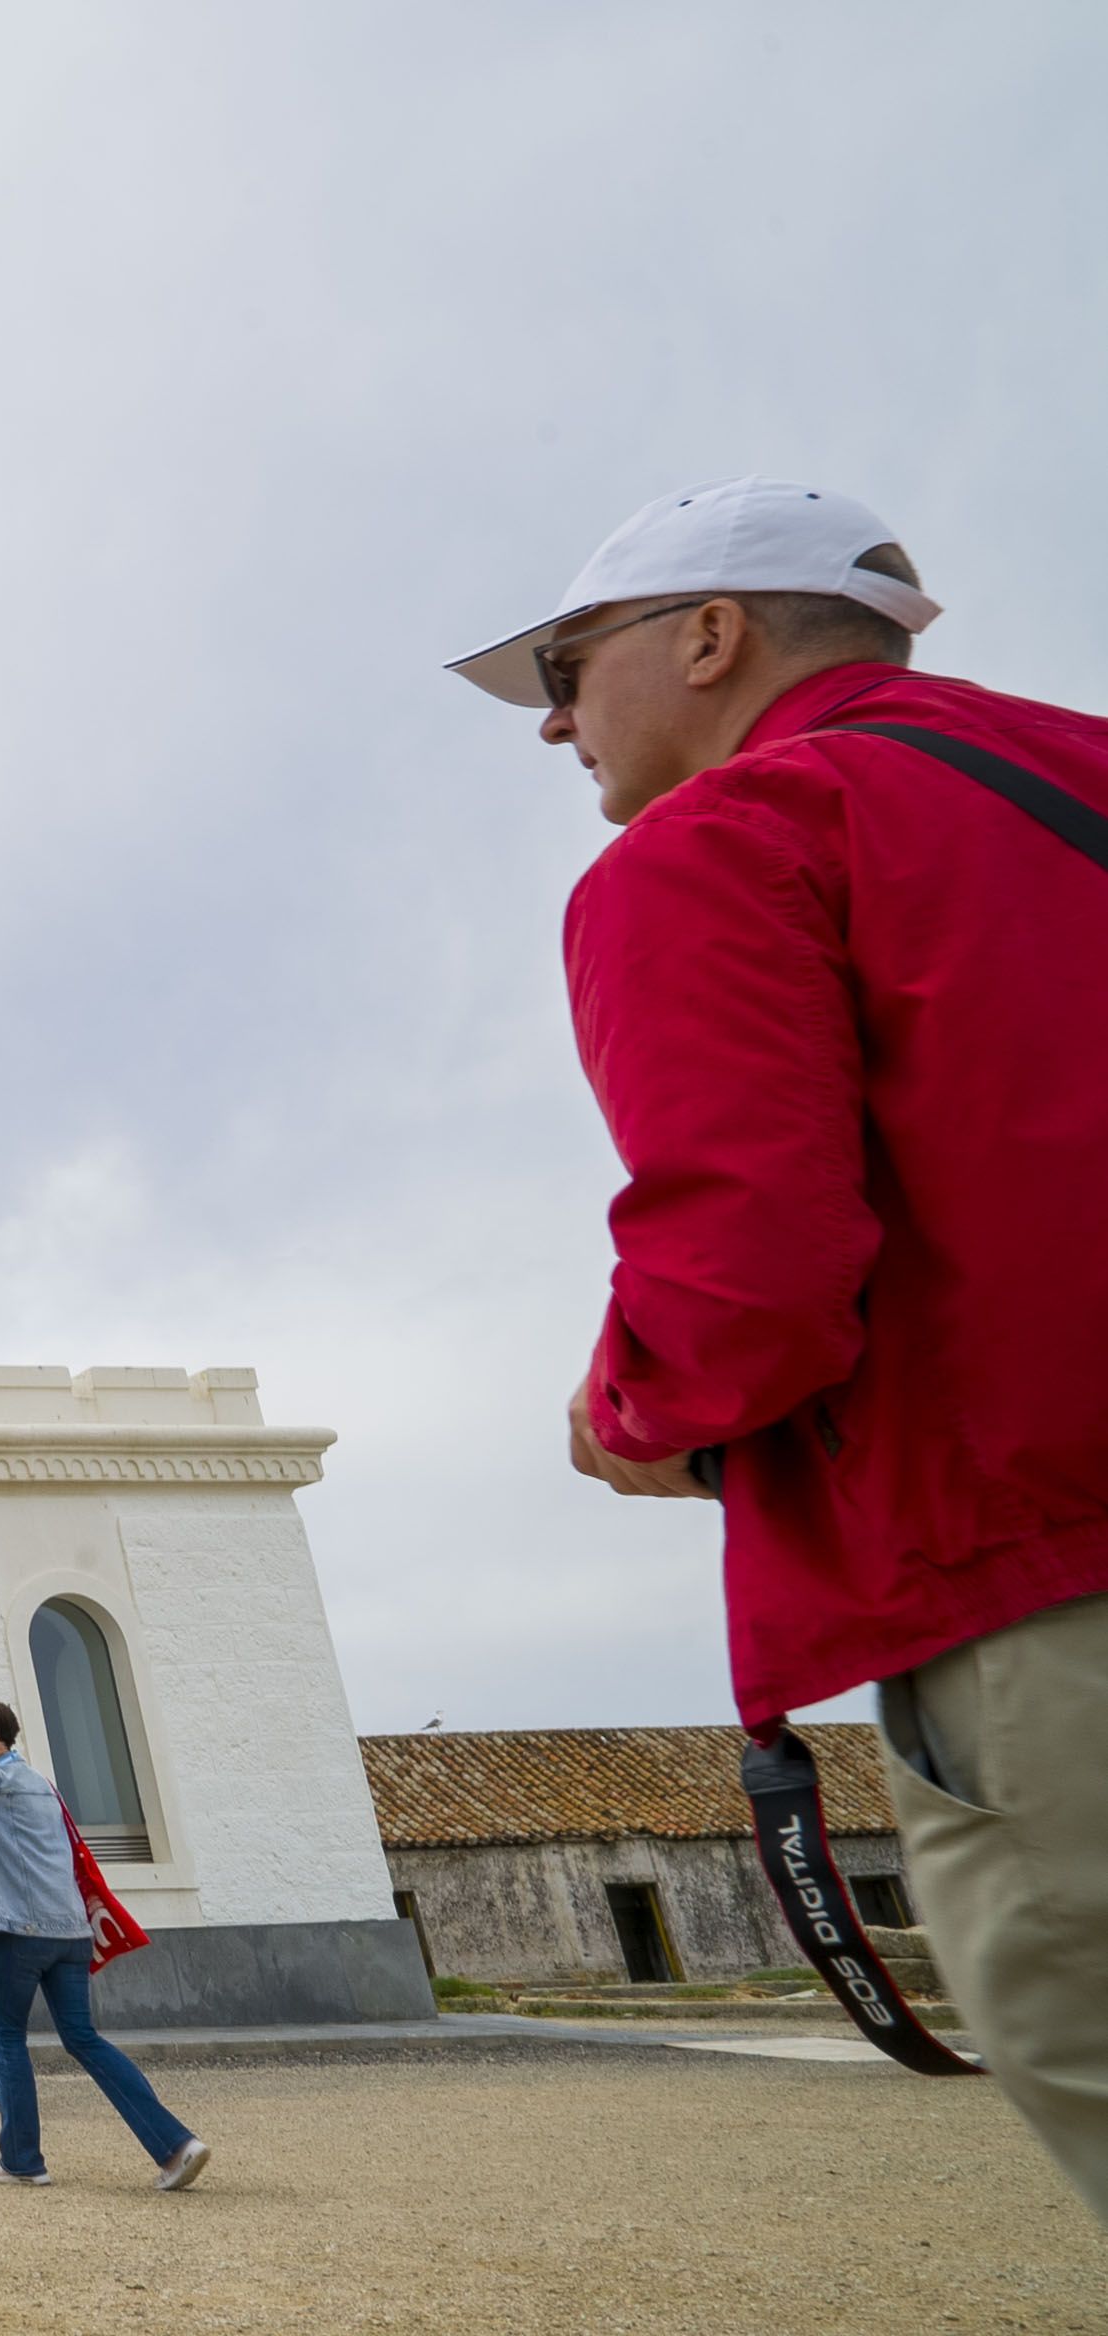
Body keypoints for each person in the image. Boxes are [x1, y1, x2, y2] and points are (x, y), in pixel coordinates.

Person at [456, 478, 1108, 2223]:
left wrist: (626, 1409)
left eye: (563, 660)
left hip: (1040, 1571)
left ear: (707, 633)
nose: (546, 714)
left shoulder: (719, 841)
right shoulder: (1071, 773)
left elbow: (744, 1276)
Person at [0, 1700, 204, 2190]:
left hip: (21, 1931)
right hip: (70, 1931)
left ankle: (23, 2161)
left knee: (7, 2039)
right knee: (83, 2038)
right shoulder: (42, 1783)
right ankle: (175, 2144)